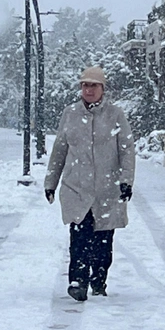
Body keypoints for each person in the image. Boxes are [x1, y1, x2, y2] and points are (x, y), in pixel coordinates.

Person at [44, 66, 135, 301]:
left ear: (103, 88)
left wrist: (125, 181)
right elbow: (59, 151)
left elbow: (126, 150)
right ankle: (78, 281)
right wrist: (51, 182)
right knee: (80, 237)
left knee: (103, 242)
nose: (88, 89)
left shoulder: (115, 115)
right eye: (85, 85)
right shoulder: (70, 114)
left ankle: (98, 280)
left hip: (107, 188)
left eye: (93, 85)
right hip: (77, 188)